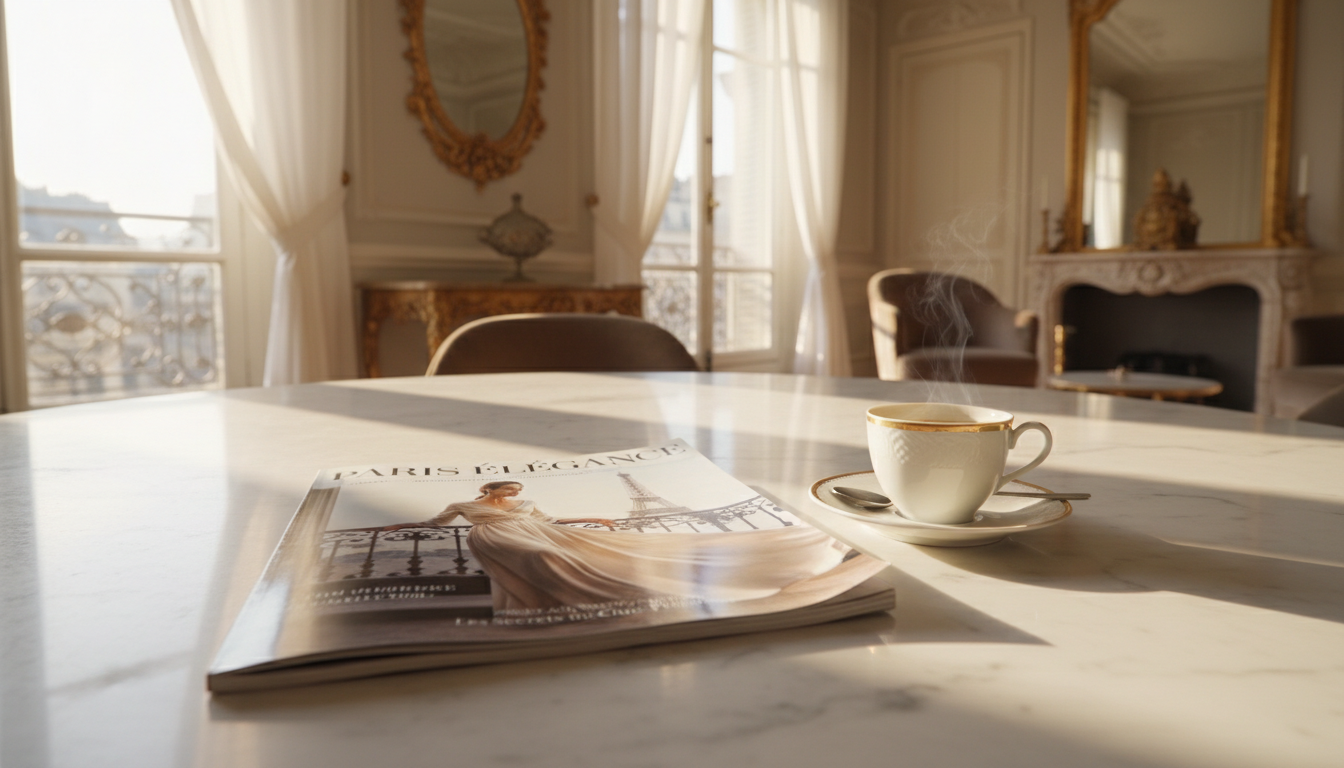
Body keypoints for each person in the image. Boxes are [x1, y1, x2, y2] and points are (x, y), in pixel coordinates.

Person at [380, 480, 843, 615]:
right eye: (508, 490)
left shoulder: (527, 505)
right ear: (491, 490)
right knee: (541, 559)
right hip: (495, 539)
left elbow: (550, 521)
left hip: (540, 532)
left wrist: (595, 519)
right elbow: (433, 523)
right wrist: (398, 524)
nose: (514, 494)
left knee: (564, 550)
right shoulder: (465, 506)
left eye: (516, 491)